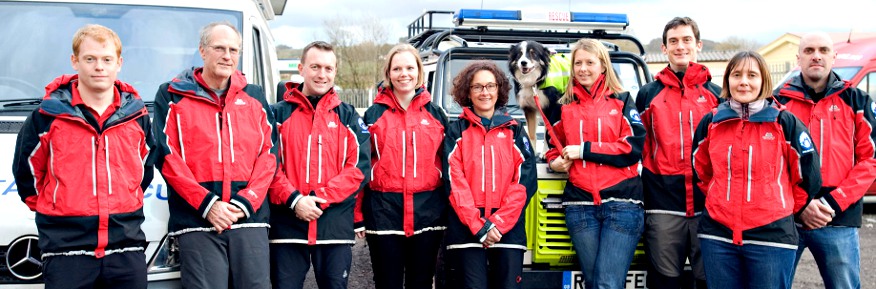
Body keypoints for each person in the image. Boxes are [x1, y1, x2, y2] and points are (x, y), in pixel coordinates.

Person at [12, 24, 154, 289]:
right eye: (90, 59)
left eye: (106, 59)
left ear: (119, 63)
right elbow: (26, 175)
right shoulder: (47, 117)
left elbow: (144, 172)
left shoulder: (138, 117)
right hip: (67, 252)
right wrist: (56, 206)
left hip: (126, 249)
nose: (99, 67)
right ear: (75, 61)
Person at [152, 22, 276, 289]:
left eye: (233, 50)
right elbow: (166, 155)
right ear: (202, 51)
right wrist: (208, 205)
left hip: (248, 219)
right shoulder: (171, 95)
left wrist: (245, 202)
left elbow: (269, 154)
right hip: (197, 221)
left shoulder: (254, 96)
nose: (227, 56)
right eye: (219, 48)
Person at [691, 51, 822, 289]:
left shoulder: (785, 123)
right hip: (718, 236)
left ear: (764, 81)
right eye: (737, 74)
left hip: (772, 237)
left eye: (752, 75)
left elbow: (808, 176)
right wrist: (719, 200)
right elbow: (701, 172)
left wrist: (779, 208)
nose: (744, 81)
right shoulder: (711, 122)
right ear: (727, 80)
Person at [774, 32, 876, 289]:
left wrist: (832, 202)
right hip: (786, 217)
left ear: (834, 57)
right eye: (808, 51)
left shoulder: (858, 101)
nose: (816, 56)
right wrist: (801, 204)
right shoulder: (777, 103)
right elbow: (770, 163)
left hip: (837, 217)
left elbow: (870, 161)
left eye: (822, 50)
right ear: (799, 59)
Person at [544, 38, 646, 289]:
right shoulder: (563, 106)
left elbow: (632, 148)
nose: (583, 68)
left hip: (622, 204)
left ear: (603, 65)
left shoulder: (622, 100)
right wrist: (554, 162)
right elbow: (554, 145)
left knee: (607, 284)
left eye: (590, 62)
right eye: (578, 63)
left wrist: (585, 151)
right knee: (593, 283)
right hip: (580, 205)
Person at [268, 41, 371, 289]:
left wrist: (318, 199)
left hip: (333, 228)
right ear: (301, 68)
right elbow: (267, 165)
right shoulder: (276, 114)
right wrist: (295, 200)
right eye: (315, 67)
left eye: (328, 68)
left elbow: (358, 169)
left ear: (335, 72)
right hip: (287, 228)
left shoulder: (349, 117)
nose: (322, 74)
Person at [635, 17, 721, 289]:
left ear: (698, 45)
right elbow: (640, 146)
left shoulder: (718, 96)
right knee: (664, 282)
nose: (680, 46)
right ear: (664, 48)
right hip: (662, 203)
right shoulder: (648, 94)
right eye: (674, 41)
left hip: (707, 205)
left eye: (686, 40)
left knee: (708, 279)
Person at [355, 43, 448, 289]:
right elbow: (361, 166)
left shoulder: (436, 114)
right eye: (397, 68)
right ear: (388, 74)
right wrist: (357, 214)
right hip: (384, 212)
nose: (403, 73)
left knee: (421, 282)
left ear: (419, 71)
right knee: (387, 283)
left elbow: (449, 168)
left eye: (409, 67)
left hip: (428, 212)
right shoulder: (373, 115)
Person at [443, 60, 537, 289]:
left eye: (490, 86)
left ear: (499, 89)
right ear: (468, 91)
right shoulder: (456, 131)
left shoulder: (515, 130)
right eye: (477, 87)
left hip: (509, 230)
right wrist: (479, 226)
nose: (485, 92)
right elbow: (455, 183)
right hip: (466, 230)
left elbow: (525, 180)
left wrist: (498, 223)